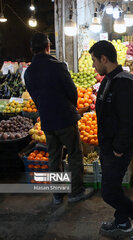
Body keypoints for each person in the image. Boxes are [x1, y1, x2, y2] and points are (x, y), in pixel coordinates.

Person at [89, 41, 133, 240]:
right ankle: (123, 222)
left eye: (94, 60)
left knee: (109, 192)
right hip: (109, 144)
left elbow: (129, 121)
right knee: (114, 187)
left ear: (104, 59)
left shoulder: (124, 83)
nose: (93, 65)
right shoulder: (111, 78)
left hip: (117, 147)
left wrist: (118, 148)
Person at [24, 33, 94, 205]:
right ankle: (76, 192)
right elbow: (73, 92)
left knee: (54, 157)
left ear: (32, 50)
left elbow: (35, 96)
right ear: (48, 47)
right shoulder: (58, 66)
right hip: (64, 118)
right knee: (74, 154)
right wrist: (67, 106)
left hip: (47, 121)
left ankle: (57, 194)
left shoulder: (29, 72)